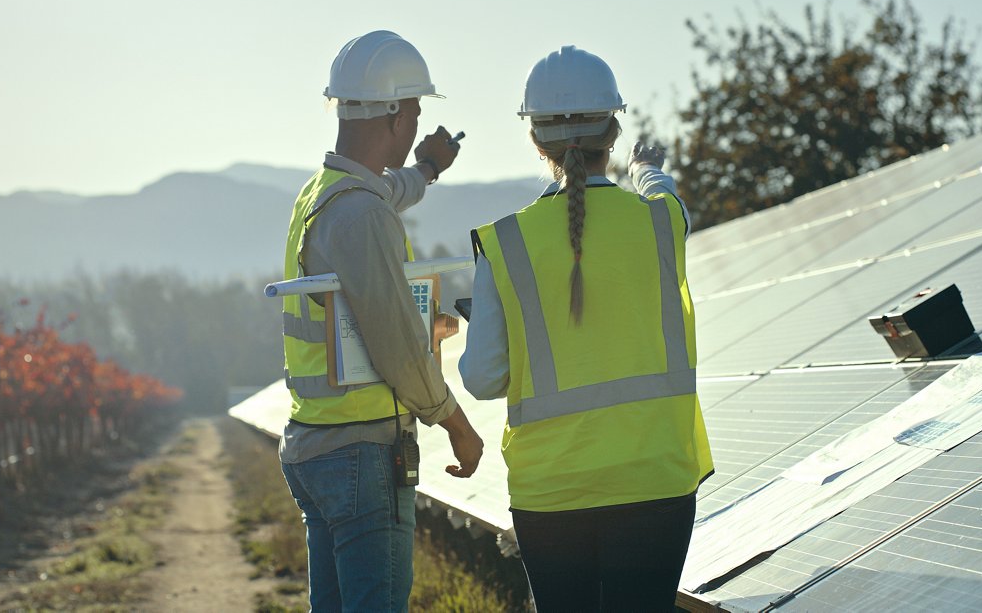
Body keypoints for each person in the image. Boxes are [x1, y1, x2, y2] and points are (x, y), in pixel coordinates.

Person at [459, 45, 714, 612]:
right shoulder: (661, 223)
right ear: (613, 131)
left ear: (535, 139)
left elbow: (482, 378)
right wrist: (648, 166)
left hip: (550, 492)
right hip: (657, 480)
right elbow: (662, 194)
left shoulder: (504, 244)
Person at [278, 30, 484, 612]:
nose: (418, 124)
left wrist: (426, 171)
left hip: (316, 446)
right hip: (362, 454)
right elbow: (394, 346)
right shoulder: (361, 217)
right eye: (415, 111)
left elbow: (381, 194)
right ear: (393, 115)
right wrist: (456, 424)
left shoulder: (322, 196)